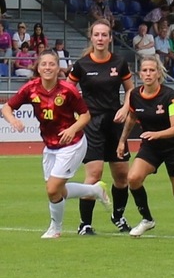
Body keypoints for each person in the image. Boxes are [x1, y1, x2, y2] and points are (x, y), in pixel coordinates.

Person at [2, 50, 111, 238]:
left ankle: (55, 229)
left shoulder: (68, 90)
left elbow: (85, 116)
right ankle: (95, 190)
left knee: (52, 189)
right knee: (57, 191)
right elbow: (7, 107)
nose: (47, 68)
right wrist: (13, 120)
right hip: (50, 146)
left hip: (72, 144)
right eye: (44, 64)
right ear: (38, 67)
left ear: (58, 67)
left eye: (52, 64)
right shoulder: (30, 88)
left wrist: (72, 129)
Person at [117, 55, 174, 238]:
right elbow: (131, 118)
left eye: (152, 70)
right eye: (144, 70)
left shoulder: (169, 95)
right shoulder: (135, 95)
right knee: (133, 178)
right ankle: (147, 219)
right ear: (140, 74)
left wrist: (156, 134)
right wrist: (122, 141)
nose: (148, 74)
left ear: (158, 74)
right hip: (151, 147)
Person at [67, 19, 134, 235]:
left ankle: (118, 216)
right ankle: (84, 224)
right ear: (91, 37)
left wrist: (125, 108)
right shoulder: (82, 65)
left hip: (115, 123)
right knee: (94, 175)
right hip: (92, 124)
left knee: (122, 176)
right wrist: (77, 113)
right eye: (97, 34)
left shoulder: (119, 62)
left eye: (104, 35)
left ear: (110, 38)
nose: (100, 38)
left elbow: (131, 90)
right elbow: (67, 91)